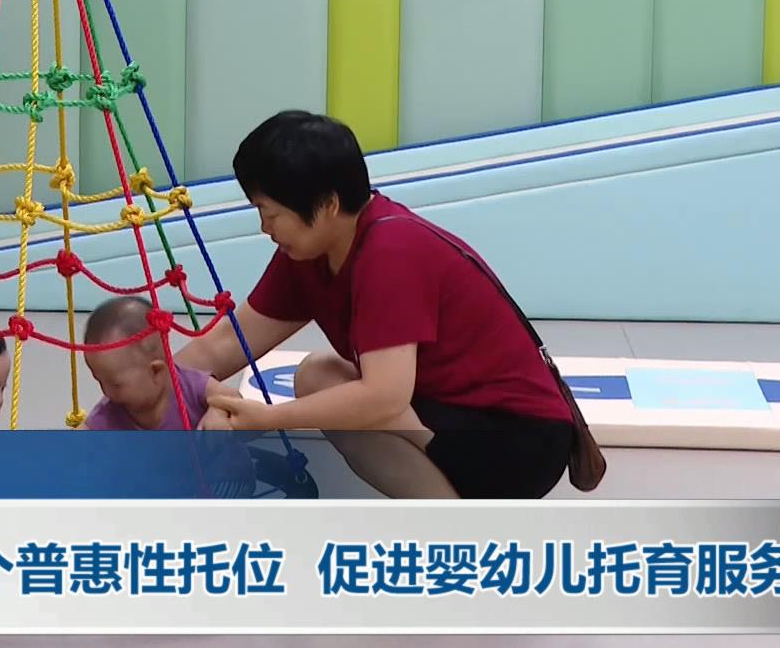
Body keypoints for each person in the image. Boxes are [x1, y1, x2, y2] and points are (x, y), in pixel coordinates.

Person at [176, 110, 576, 499]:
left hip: (518, 439)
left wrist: (267, 418)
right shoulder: (309, 254)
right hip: (445, 416)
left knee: (348, 394)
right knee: (318, 374)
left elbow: (385, 397)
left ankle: (450, 528)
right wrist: (152, 386)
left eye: (271, 213)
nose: (264, 228)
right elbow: (225, 344)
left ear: (327, 205)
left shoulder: (390, 252)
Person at [80, 297, 240, 430]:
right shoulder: (113, 410)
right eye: (99, 381)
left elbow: (233, 397)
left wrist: (217, 413)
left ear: (156, 371)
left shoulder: (189, 385)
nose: (107, 393)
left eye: (116, 384)